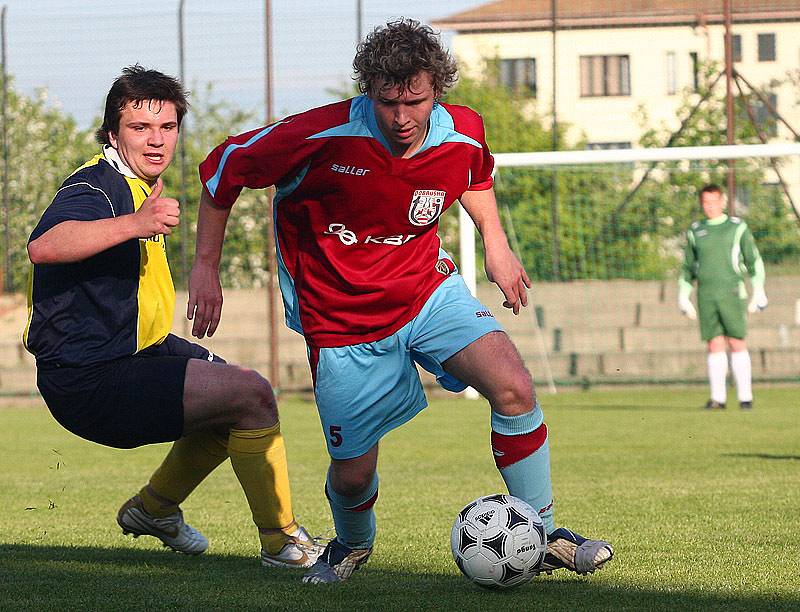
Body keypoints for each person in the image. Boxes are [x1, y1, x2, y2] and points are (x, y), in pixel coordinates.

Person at [190, 19, 613, 584]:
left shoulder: (462, 130)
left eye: (415, 100)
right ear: (370, 93)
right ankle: (350, 546)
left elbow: (474, 175)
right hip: (342, 321)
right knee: (352, 473)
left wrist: (497, 243)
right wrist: (205, 268)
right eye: (388, 102)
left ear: (437, 90)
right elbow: (223, 169)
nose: (402, 116)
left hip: (425, 291)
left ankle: (542, 532)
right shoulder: (322, 134)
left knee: (513, 386)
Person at [23, 65, 321, 568]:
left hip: (140, 353)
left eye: (167, 127)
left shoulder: (141, 187)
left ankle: (154, 510)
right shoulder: (96, 189)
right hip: (90, 378)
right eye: (140, 128)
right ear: (112, 134)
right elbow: (45, 246)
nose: (156, 140)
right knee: (251, 395)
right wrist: (135, 223)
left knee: (239, 399)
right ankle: (282, 543)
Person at [678, 183, 767, 410]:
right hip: (706, 293)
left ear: (722, 201)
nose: (710, 206)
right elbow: (688, 267)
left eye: (714, 201)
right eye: (706, 202)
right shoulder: (695, 230)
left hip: (732, 291)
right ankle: (718, 398)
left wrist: (758, 290)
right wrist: (683, 296)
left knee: (736, 341)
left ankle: (745, 397)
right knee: (714, 343)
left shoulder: (736, 227)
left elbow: (753, 260)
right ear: (701, 204)